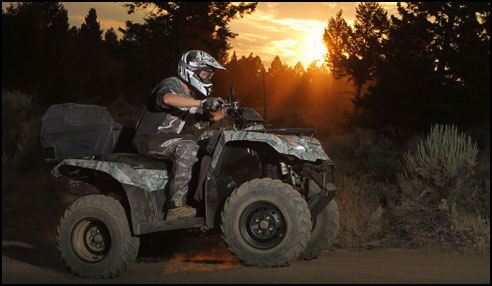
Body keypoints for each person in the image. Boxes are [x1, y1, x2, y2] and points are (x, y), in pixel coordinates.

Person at [132, 50, 227, 220]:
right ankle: (175, 206)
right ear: (190, 69)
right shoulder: (172, 83)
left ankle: (197, 198)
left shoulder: (190, 96)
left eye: (209, 76)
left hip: (165, 139)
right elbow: (166, 99)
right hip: (148, 138)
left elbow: (206, 119)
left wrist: (226, 110)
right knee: (187, 147)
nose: (207, 79)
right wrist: (201, 102)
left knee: (203, 142)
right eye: (205, 74)